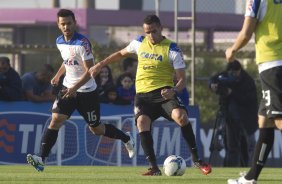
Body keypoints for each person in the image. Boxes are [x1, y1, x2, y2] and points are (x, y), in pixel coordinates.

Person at [89, 14, 212, 176]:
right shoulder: (139, 42)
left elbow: (182, 80)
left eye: (153, 31)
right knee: (142, 122)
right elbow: (120, 53)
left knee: (181, 117)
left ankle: (197, 160)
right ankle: (154, 168)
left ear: (161, 28)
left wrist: (173, 90)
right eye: (147, 32)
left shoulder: (172, 48)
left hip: (164, 94)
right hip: (143, 96)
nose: (150, 35)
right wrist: (100, 64)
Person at [26, 9, 136, 172]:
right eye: (62, 24)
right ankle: (41, 159)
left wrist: (74, 88)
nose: (66, 26)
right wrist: (58, 75)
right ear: (58, 25)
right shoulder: (59, 41)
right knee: (55, 119)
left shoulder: (82, 43)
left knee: (96, 129)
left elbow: (90, 71)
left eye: (69, 23)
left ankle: (126, 138)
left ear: (74, 23)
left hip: (86, 92)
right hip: (68, 88)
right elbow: (67, 60)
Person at [225, 1, 282, 183]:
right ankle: (251, 177)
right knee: (265, 120)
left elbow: (246, 32)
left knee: (279, 119)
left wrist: (232, 50)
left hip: (273, 63)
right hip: (275, 64)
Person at [209, 60, 258, 167]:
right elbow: (214, 79)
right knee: (231, 146)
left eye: (235, 73)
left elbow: (249, 99)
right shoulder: (225, 76)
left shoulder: (247, 81)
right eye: (231, 73)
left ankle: (249, 168)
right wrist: (212, 84)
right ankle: (229, 168)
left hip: (246, 118)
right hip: (229, 116)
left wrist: (232, 93)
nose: (233, 75)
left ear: (240, 70)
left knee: (247, 146)